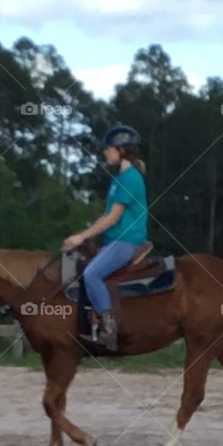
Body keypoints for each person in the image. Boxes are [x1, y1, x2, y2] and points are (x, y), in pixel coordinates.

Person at [62, 125, 148, 352]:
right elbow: (106, 216)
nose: (105, 153)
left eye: (108, 149)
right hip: (113, 240)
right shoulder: (119, 179)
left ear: (121, 150)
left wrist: (81, 236)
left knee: (92, 274)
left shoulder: (130, 178)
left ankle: (109, 325)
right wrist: (85, 234)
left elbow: (113, 218)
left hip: (126, 240)